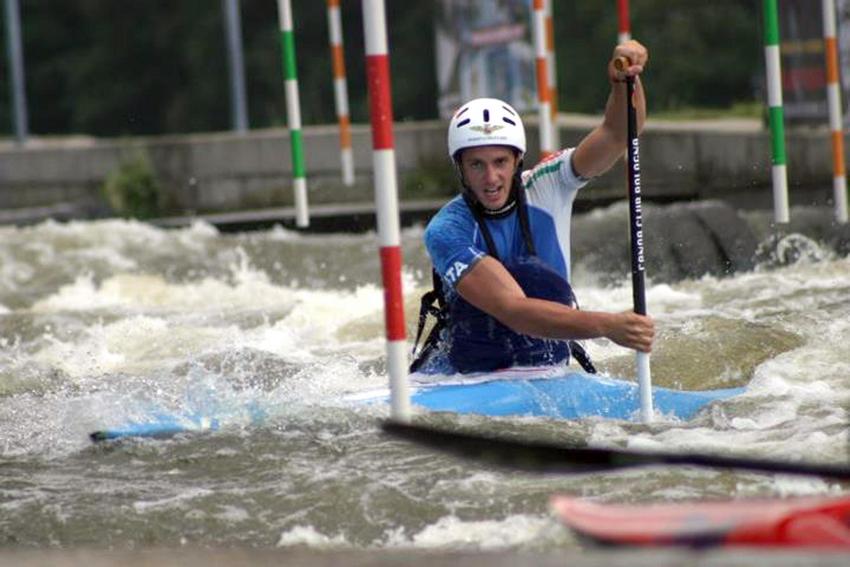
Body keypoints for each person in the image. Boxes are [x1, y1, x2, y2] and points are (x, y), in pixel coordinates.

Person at [411, 40, 655, 375]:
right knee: (521, 283)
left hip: (549, 368)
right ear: (460, 168)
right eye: (476, 165)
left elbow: (617, 133)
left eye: (500, 161)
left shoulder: (547, 183)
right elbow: (513, 309)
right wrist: (607, 325)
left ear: (517, 160)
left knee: (537, 278)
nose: (491, 177)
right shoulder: (446, 230)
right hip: (466, 376)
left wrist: (623, 82)